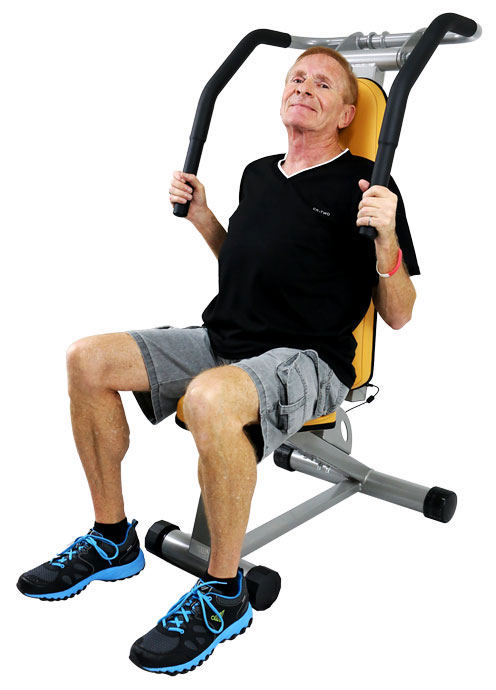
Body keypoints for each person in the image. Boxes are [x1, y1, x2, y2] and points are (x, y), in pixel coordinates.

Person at [17, 46, 420, 675]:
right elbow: (243, 265)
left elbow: (399, 314)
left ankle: (225, 592)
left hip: (308, 359)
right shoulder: (258, 173)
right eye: (296, 78)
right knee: (86, 359)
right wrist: (204, 218)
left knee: (210, 396)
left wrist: (387, 238)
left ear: (347, 113)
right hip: (224, 337)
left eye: (322, 84)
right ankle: (112, 538)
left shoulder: (370, 186)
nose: (303, 88)